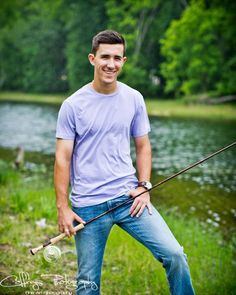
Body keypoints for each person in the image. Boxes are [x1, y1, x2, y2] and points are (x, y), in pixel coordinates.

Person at [54, 30, 195, 295]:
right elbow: (62, 158)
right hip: (88, 207)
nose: (111, 63)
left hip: (129, 198)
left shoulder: (134, 99)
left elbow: (143, 146)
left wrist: (144, 185)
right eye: (105, 57)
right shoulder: (72, 105)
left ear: (124, 61)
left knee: (175, 254)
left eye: (117, 58)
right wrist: (63, 207)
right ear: (92, 58)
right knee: (87, 282)